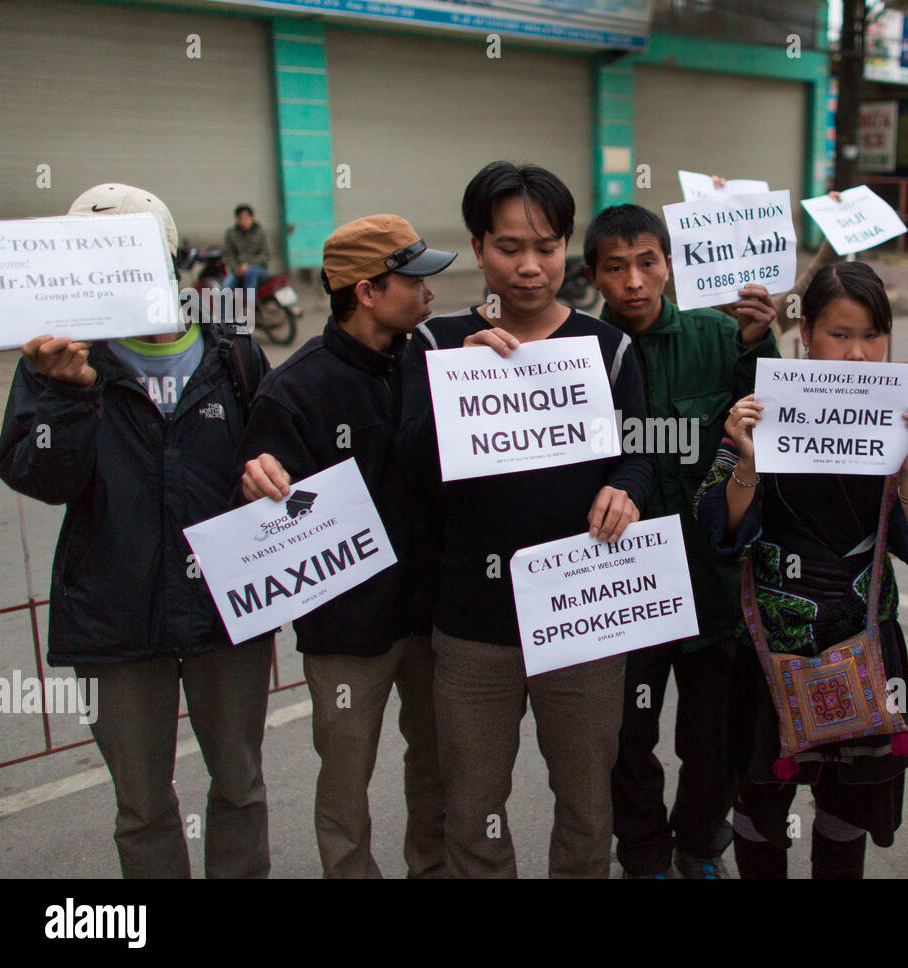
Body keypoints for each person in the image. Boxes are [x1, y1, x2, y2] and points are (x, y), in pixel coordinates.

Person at [0, 183, 273, 878]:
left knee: (239, 786)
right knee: (143, 806)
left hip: (225, 615)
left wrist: (271, 473)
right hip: (113, 621)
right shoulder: (54, 362)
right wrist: (67, 393)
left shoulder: (233, 351)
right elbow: (44, 479)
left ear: (171, 260)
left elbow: (277, 453)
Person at [399, 161, 653, 878]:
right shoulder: (435, 343)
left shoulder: (608, 350)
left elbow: (636, 458)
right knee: (474, 803)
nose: (531, 265)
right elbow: (409, 469)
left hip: (584, 612)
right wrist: (458, 380)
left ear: (567, 247)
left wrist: (626, 492)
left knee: (585, 805)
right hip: (473, 625)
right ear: (479, 248)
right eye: (510, 247)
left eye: (546, 246)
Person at [694, 261, 908, 878]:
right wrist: (748, 464)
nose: (858, 354)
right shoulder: (759, 413)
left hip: (862, 641)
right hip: (773, 645)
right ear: (805, 332)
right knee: (761, 802)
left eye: (872, 335)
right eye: (840, 334)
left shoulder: (898, 420)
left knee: (847, 803)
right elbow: (719, 531)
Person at [235, 214, 456, 878]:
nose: (430, 294)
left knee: (438, 766)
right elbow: (266, 520)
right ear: (365, 290)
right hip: (345, 632)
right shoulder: (294, 389)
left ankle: (435, 867)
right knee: (344, 781)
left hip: (432, 620)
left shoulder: (439, 363)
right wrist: (258, 488)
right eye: (414, 280)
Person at [582, 203, 779, 879]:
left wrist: (757, 344)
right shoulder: (579, 353)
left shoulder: (718, 336)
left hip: (712, 584)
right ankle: (642, 856)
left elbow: (770, 432)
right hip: (624, 588)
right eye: (616, 267)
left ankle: (697, 843)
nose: (634, 280)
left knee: (714, 736)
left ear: (669, 264)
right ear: (593, 277)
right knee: (626, 738)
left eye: (648, 262)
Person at [224, 203, 269, 296]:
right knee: (225, 287)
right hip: (238, 270)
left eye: (246, 217)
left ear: (252, 218)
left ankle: (250, 305)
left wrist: (248, 265)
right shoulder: (231, 234)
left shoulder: (260, 233)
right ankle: (224, 310)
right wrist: (236, 268)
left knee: (249, 273)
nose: (244, 221)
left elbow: (265, 255)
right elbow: (229, 255)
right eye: (240, 218)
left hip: (258, 268)